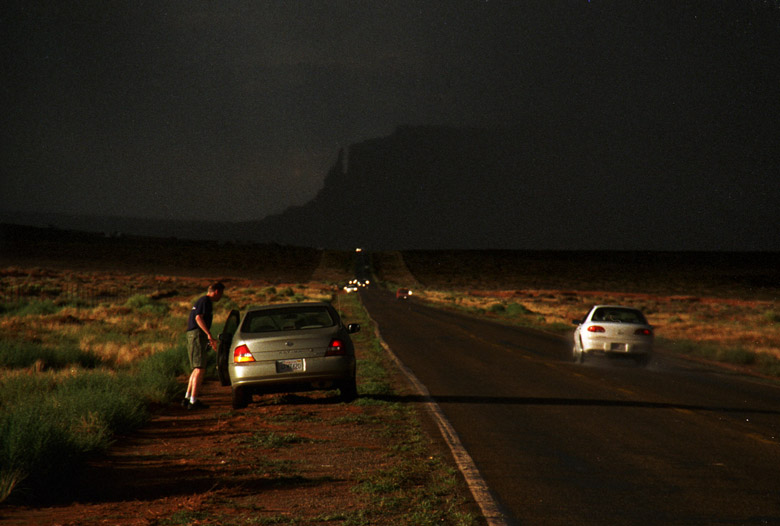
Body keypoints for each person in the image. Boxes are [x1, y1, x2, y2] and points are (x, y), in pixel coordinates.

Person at [183, 282, 225, 409]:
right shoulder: (205, 301)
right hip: (197, 335)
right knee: (200, 368)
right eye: (221, 293)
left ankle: (187, 397)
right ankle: (193, 401)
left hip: (194, 335)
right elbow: (198, 318)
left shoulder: (202, 301)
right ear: (216, 291)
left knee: (196, 368)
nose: (221, 297)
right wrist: (208, 334)